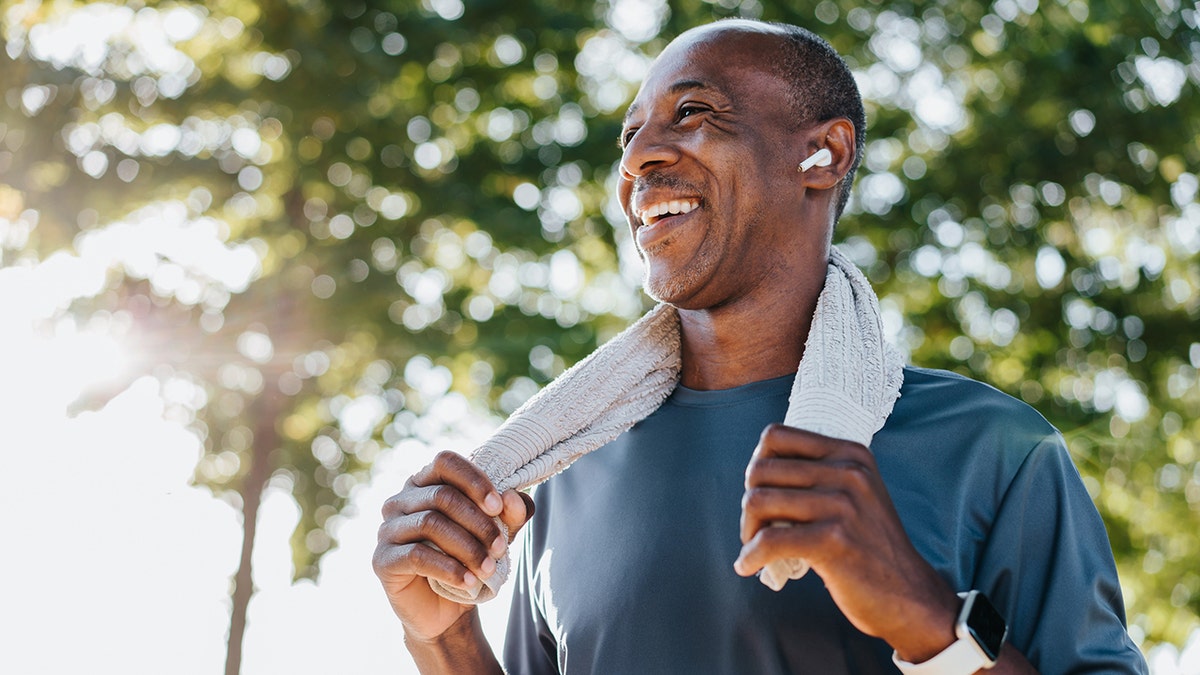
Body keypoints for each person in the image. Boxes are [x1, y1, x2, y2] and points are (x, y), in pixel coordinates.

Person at [373, 19, 1149, 674]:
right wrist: (444, 638)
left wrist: (932, 623)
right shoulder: (564, 470)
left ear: (824, 157)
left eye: (695, 113)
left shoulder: (995, 451)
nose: (639, 156)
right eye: (631, 131)